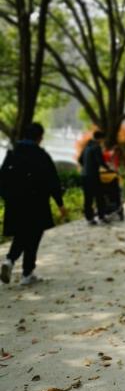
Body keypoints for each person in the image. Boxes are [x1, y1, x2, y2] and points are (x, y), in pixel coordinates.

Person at [0, 122, 66, 285]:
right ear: (39, 137)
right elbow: (53, 181)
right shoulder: (41, 155)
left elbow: (2, 178)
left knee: (22, 233)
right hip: (36, 203)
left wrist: (7, 197)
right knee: (33, 235)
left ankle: (10, 260)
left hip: (15, 202)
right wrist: (60, 204)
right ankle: (26, 273)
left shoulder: (13, 153)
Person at [79, 130, 112, 225]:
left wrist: (86, 166)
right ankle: (102, 216)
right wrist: (109, 168)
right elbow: (100, 161)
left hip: (84, 175)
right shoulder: (96, 147)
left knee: (88, 197)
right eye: (103, 139)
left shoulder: (87, 146)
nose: (102, 141)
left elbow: (80, 160)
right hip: (93, 176)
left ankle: (89, 218)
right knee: (99, 196)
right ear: (100, 138)